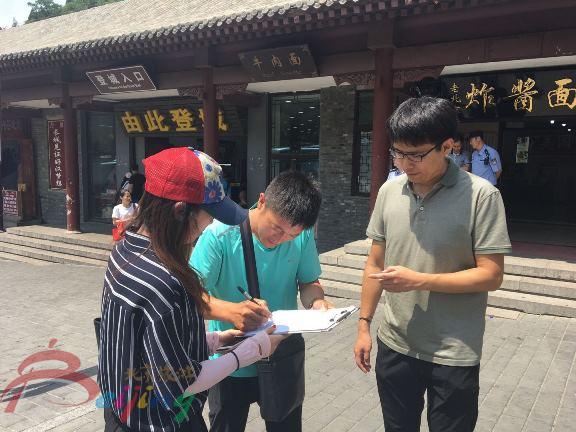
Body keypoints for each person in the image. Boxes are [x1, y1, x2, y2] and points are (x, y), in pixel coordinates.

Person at [354, 97, 511, 432]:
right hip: (395, 344)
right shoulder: (389, 191)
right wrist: (364, 325)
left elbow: (491, 274)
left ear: (448, 146)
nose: (405, 163)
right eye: (398, 153)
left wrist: (420, 280)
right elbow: (374, 262)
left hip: (453, 351)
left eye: (417, 155)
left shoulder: (482, 196)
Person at [98, 147, 283, 432]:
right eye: (208, 216)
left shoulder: (125, 250)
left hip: (121, 410)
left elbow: (150, 341)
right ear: (180, 211)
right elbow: (181, 384)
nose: (209, 225)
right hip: (159, 422)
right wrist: (250, 351)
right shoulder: (164, 281)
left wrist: (214, 340)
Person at [191, 171, 331, 432]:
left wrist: (317, 303)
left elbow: (309, 283)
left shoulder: (301, 236)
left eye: (291, 235)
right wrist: (234, 312)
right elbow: (190, 296)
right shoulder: (219, 235)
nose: (281, 239)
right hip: (230, 362)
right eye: (277, 228)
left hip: (280, 356)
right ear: (262, 201)